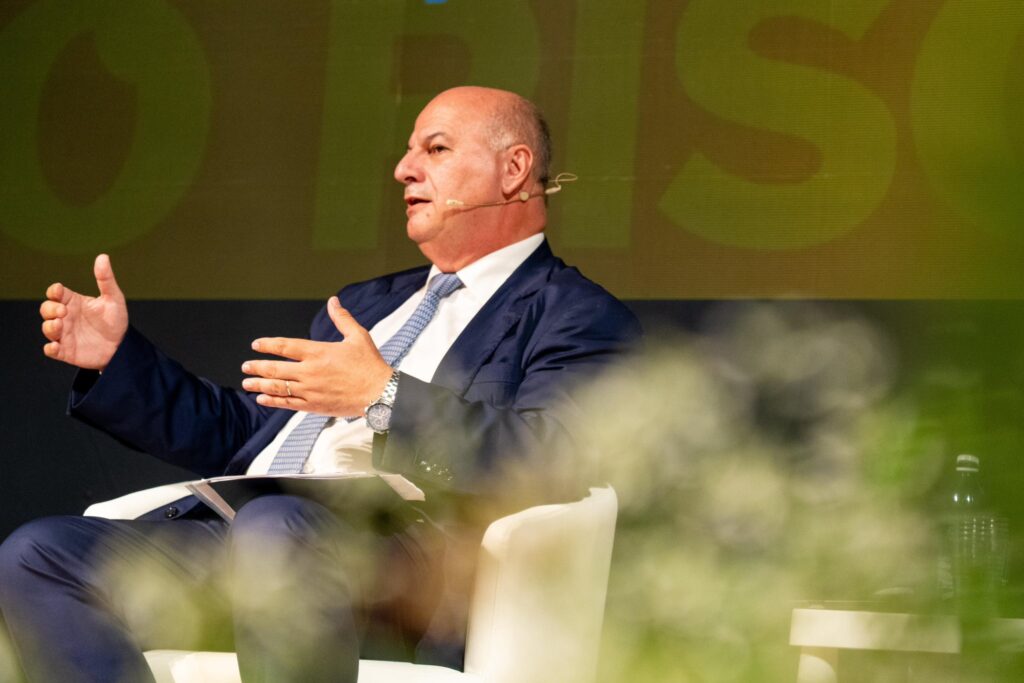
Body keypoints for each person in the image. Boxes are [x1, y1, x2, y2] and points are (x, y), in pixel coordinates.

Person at [0, 86, 641, 682]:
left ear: (514, 170)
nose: (404, 169)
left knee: (276, 528)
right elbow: (249, 437)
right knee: (39, 552)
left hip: (405, 567)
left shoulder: (573, 313)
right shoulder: (367, 302)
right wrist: (117, 359)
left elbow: (550, 454)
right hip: (258, 534)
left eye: (436, 149)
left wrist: (384, 396)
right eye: (409, 151)